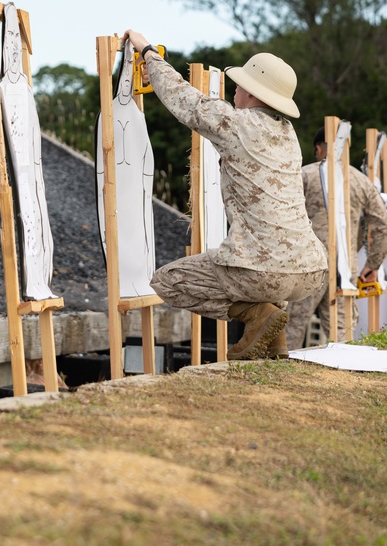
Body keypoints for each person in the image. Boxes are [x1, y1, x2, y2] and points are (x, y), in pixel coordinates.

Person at [124, 33, 327, 361]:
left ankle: (257, 315)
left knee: (169, 281)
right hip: (311, 270)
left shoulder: (238, 124)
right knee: (263, 282)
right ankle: (274, 340)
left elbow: (185, 100)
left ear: (252, 91)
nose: (235, 89)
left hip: (264, 269)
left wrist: (148, 53)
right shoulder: (288, 135)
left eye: (240, 84)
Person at [287, 127, 387, 348]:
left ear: (318, 148)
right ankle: (346, 379)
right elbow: (383, 227)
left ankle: (280, 376)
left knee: (291, 328)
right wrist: (373, 264)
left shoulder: (305, 174)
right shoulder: (361, 181)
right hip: (345, 269)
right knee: (343, 336)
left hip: (306, 265)